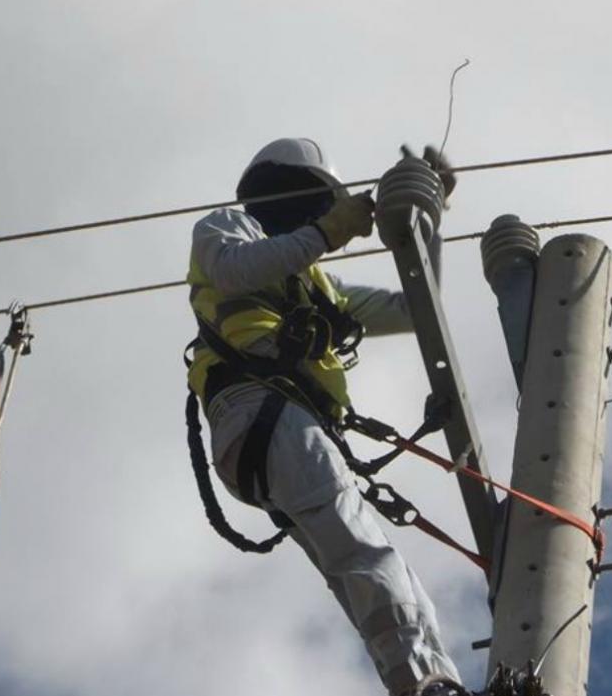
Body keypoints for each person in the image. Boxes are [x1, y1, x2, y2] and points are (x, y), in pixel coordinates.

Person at [185, 138, 468, 696]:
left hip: (287, 427)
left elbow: (417, 308)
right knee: (366, 553)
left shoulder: (322, 288)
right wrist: (328, 231)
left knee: (371, 566)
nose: (320, 216)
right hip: (260, 409)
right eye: (316, 203)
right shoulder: (225, 228)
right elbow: (235, 271)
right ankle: (423, 683)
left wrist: (423, 220)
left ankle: (428, 683)